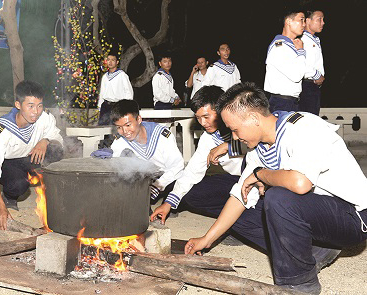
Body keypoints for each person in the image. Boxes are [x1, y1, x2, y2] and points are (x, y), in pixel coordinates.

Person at [185, 82, 367, 294]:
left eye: (235, 130)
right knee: (240, 214)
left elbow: (301, 183)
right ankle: (314, 251)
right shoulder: (258, 148)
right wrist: (206, 240)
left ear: (253, 119)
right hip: (318, 214)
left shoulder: (302, 127)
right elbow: (239, 196)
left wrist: (260, 174)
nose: (234, 138)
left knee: (277, 198)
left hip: (354, 217)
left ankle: (299, 284)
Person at [151, 85, 244, 224]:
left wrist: (228, 146)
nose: (203, 123)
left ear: (221, 110)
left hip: (259, 179)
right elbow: (192, 171)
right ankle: (233, 217)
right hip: (235, 180)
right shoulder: (208, 138)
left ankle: (241, 220)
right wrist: (168, 204)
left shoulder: (243, 123)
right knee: (190, 195)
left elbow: (262, 148)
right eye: (198, 118)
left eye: (206, 116)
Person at [0, 80, 63, 230]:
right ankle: (9, 197)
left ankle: (48, 189)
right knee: (19, 185)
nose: (36, 111)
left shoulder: (44, 118)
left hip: (31, 157)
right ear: (18, 105)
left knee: (55, 149)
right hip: (10, 163)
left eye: (40, 106)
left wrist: (45, 140)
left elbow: (59, 140)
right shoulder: (1, 129)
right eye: (31, 106)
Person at [109, 99, 184, 203]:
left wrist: (157, 185)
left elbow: (177, 167)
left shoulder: (161, 135)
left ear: (139, 119)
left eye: (128, 125)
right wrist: (104, 157)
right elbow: (114, 166)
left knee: (179, 193)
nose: (125, 132)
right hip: (145, 180)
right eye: (119, 127)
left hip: (167, 177)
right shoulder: (121, 141)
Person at [264, 11, 321, 112]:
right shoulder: (279, 46)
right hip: (281, 103)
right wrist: (301, 52)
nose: (304, 24)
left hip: (291, 102)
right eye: (301, 20)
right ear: (288, 21)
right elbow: (296, 74)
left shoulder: (290, 45)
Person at [299, 10, 326, 115]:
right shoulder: (303, 39)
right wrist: (317, 75)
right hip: (306, 86)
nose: (323, 23)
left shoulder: (314, 39)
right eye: (319, 19)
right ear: (308, 21)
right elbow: (302, 65)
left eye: (323, 19)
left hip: (312, 87)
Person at [97, 53, 134, 125]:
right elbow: (102, 92)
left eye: (113, 60)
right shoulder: (105, 76)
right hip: (106, 106)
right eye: (108, 60)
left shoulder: (122, 75)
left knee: (116, 128)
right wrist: (100, 106)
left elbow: (129, 92)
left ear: (117, 62)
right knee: (102, 128)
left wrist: (126, 107)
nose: (110, 62)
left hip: (117, 106)